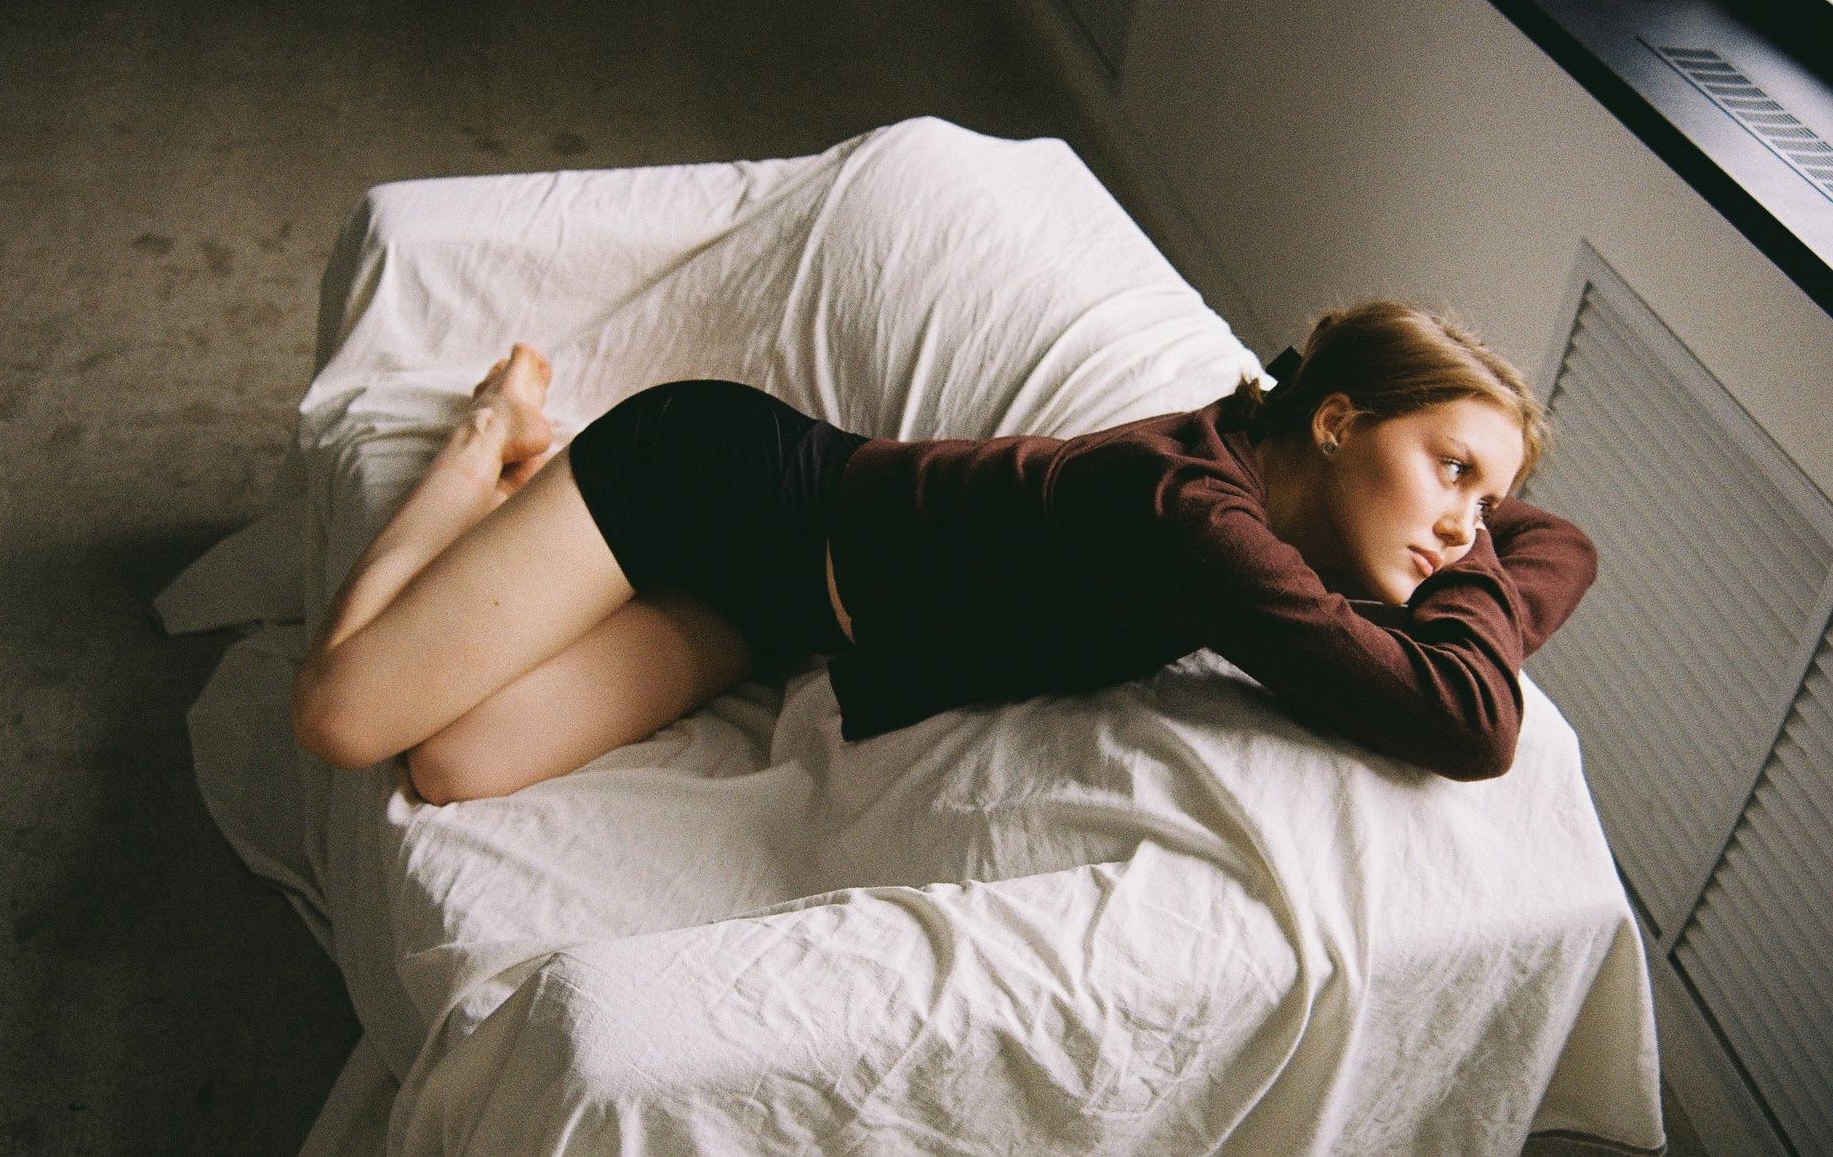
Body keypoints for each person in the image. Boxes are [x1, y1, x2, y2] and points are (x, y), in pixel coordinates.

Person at [290, 299, 1596, 803]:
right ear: (1337, 422)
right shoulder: (1195, 518)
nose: (1466, 527)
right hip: (708, 485)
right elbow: (1470, 720)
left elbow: (1563, 542)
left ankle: (530, 492)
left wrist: (1469, 540)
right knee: (343, 720)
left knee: (452, 766)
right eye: (1452, 470)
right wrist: (1469, 576)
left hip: (784, 613)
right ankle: (490, 436)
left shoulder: (1274, 497)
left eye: (1484, 502)